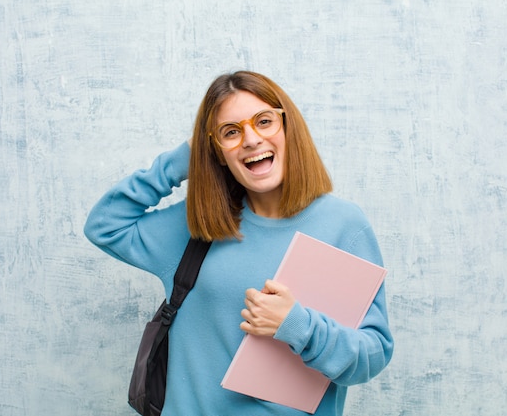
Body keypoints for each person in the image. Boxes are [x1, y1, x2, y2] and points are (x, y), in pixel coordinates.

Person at [84, 70, 393, 415]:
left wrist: (298, 326)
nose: (250, 139)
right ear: (217, 151)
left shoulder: (343, 226)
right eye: (230, 132)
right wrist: (182, 160)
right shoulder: (200, 223)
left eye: (264, 121)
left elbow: (372, 355)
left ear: (288, 128)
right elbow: (104, 226)